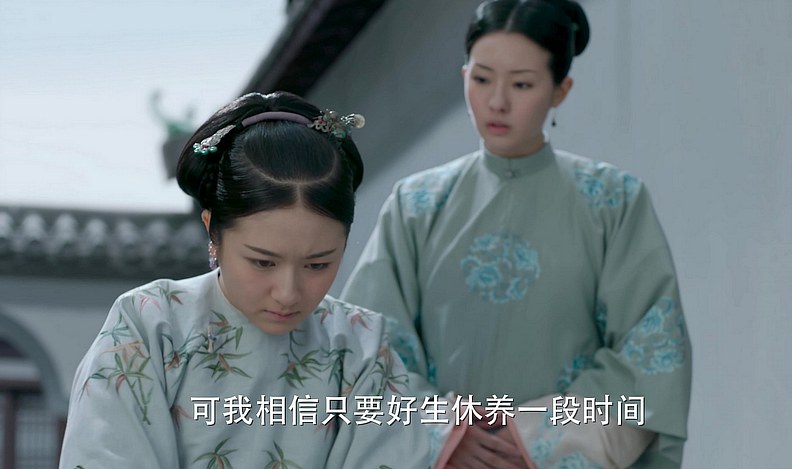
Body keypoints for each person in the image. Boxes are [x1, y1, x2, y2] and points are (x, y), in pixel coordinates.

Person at [341, 1, 692, 468]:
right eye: (482, 79)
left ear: (560, 90)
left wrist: (534, 438)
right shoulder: (416, 205)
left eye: (522, 84)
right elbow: (367, 348)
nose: (497, 102)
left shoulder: (614, 201)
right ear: (464, 75)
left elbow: (649, 351)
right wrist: (445, 436)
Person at [59, 92, 434, 468]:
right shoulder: (149, 326)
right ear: (213, 230)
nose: (287, 293)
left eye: (317, 265)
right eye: (263, 262)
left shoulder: (362, 346)